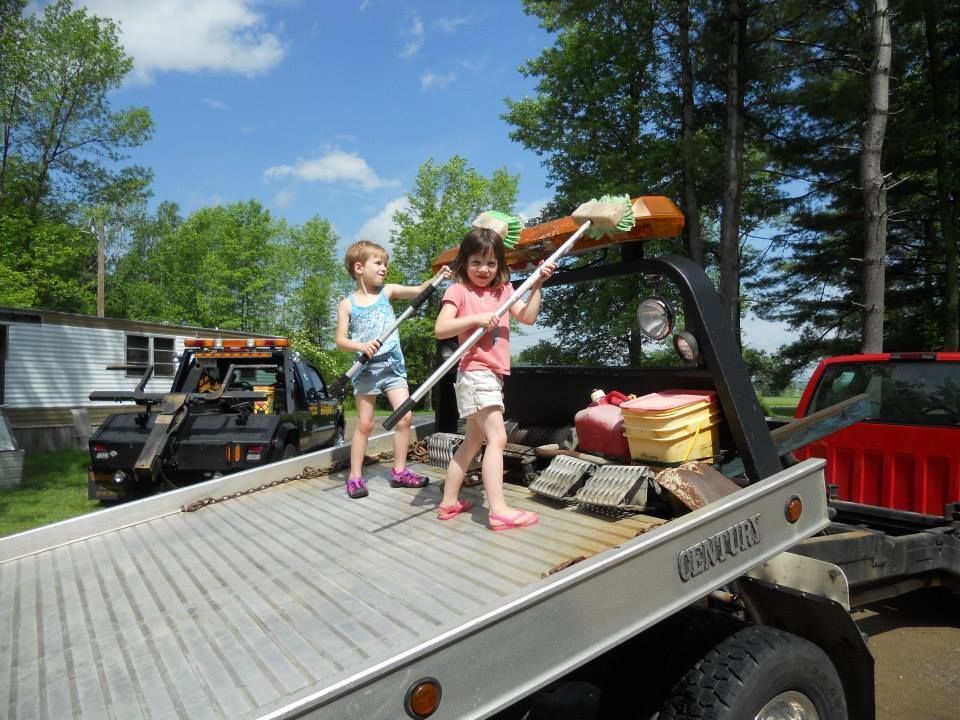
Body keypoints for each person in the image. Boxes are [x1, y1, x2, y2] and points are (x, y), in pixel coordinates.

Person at [434, 227, 556, 530]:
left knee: (473, 441)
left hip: (492, 375)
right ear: (464, 263)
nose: (483, 269)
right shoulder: (458, 291)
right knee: (498, 438)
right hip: (475, 373)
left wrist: (537, 284)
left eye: (490, 263)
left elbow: (527, 317)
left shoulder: (503, 291)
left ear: (500, 265)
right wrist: (476, 318)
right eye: (476, 262)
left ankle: (449, 501)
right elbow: (441, 328)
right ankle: (498, 510)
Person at [336, 240, 451, 499]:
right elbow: (341, 340)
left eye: (385, 263)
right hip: (366, 370)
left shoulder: (388, 292)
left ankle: (399, 472)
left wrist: (438, 277)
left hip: (393, 367)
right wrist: (361, 345)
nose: (384, 268)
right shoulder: (347, 304)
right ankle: (355, 476)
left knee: (405, 417)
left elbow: (420, 289)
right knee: (364, 423)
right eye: (378, 263)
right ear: (358, 267)